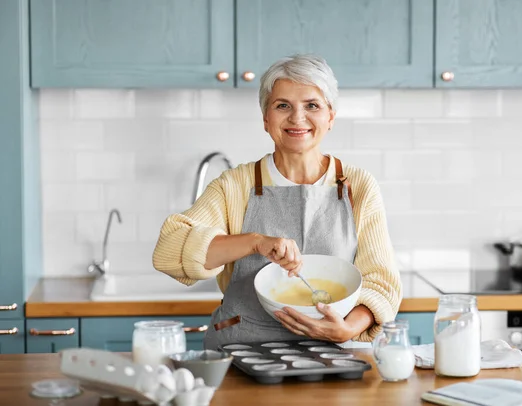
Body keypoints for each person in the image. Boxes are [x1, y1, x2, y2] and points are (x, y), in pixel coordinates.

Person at [152, 54, 402, 350]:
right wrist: (254, 242)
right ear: (266, 119)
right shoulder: (235, 185)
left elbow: (381, 282)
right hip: (242, 350)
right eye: (283, 105)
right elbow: (169, 250)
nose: (297, 118)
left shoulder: (357, 185)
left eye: (312, 106)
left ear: (330, 117)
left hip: (334, 353)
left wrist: (347, 329)